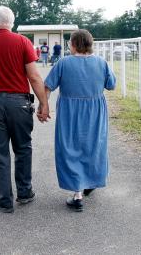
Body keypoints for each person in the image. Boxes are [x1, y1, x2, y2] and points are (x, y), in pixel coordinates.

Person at [0, 6, 50, 213]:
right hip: (19, 103)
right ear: (11, 23)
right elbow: (33, 76)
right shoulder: (23, 42)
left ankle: (4, 200)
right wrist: (43, 103)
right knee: (23, 148)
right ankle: (24, 193)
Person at [42, 29, 116, 212]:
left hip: (69, 112)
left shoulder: (63, 63)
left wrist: (43, 106)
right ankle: (91, 180)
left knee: (70, 147)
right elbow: (111, 85)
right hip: (95, 112)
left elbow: (48, 86)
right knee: (94, 145)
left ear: (73, 44)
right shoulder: (101, 62)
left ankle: (77, 194)